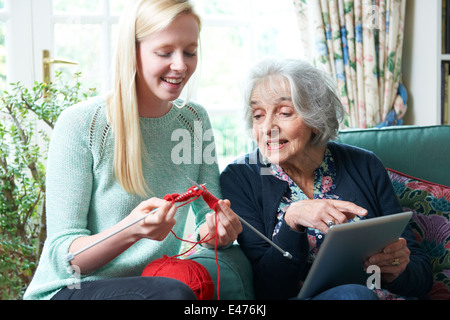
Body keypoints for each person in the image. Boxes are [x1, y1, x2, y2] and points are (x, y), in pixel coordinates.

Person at [24, 0, 242, 300]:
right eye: (165, 52)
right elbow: (66, 257)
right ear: (133, 52)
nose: (181, 65)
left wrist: (219, 232)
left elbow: (209, 214)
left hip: (151, 285)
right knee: (171, 294)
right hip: (72, 287)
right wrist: (132, 230)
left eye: (190, 52)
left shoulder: (193, 121)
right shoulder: (82, 124)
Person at [219, 58, 433, 300]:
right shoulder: (240, 178)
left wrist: (399, 269)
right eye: (258, 115)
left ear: (316, 120)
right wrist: (292, 222)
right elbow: (268, 289)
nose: (267, 127)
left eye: (285, 112)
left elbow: (422, 277)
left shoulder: (365, 165)